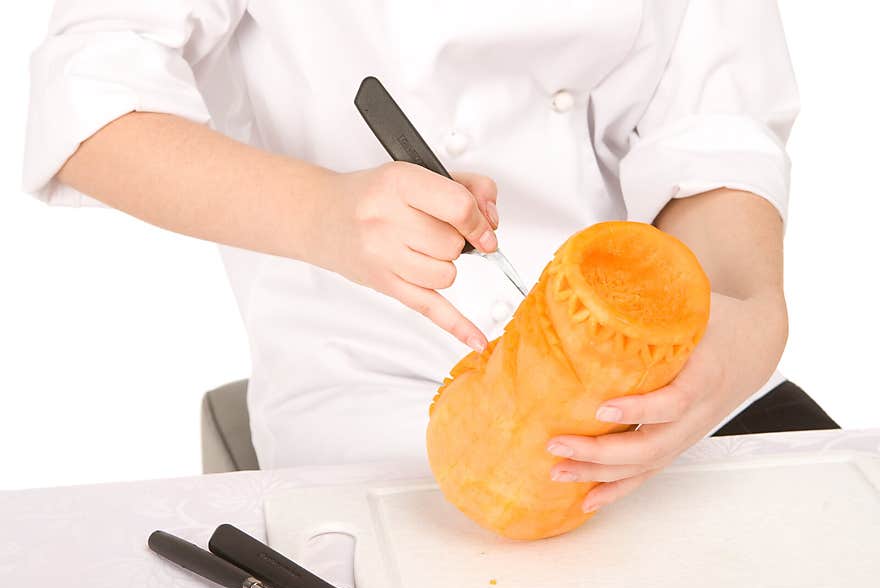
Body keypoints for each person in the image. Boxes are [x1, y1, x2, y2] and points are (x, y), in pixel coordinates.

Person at [24, 1, 837, 513]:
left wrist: (744, 321)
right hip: (368, 378)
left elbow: (714, 131)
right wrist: (324, 213)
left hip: (640, 385)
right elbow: (90, 107)